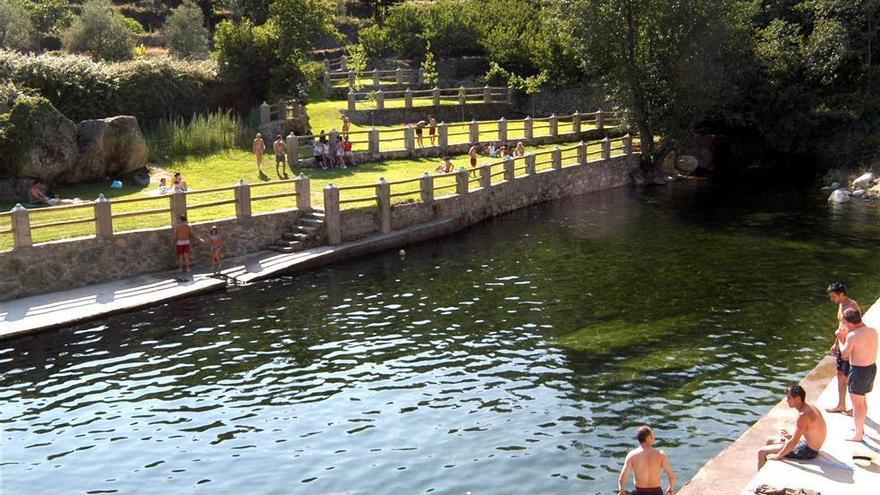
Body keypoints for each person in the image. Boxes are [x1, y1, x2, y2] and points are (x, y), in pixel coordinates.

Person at [757, 385, 826, 468]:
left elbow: (794, 442)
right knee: (770, 441)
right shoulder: (811, 407)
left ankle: (761, 480)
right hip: (809, 444)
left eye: (789, 398)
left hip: (808, 451)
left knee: (761, 452)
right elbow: (806, 430)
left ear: (797, 399)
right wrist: (788, 435)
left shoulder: (803, 415)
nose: (786, 400)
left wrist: (778, 455)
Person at [839, 308, 878, 442]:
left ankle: (858, 435)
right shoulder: (872, 330)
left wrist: (840, 338)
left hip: (858, 371)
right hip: (871, 368)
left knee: (857, 405)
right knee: (862, 401)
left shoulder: (853, 335)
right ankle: (860, 428)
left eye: (844, 321)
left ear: (850, 322)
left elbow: (844, 355)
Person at [826, 282, 861, 415]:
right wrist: (836, 343)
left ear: (842, 294)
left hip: (850, 346)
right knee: (840, 375)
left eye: (833, 296)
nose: (832, 299)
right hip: (842, 344)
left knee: (852, 376)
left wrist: (851, 345)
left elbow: (857, 327)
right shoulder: (841, 304)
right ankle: (841, 404)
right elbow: (841, 326)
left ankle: (855, 407)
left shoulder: (851, 307)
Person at [617, 426, 676, 495]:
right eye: (653, 435)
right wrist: (671, 489)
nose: (654, 437)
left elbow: (622, 478)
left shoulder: (632, 455)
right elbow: (672, 477)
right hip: (656, 492)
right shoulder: (660, 454)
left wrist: (621, 491)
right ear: (648, 438)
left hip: (639, 492)